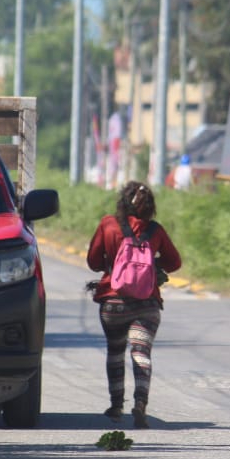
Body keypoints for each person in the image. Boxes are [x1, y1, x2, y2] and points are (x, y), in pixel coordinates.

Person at [86, 181, 182, 429]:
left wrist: (111, 264)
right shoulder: (156, 231)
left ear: (123, 201)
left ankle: (116, 404)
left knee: (115, 352)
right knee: (141, 352)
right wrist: (152, 262)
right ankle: (141, 402)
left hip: (113, 301)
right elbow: (175, 263)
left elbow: (93, 261)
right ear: (150, 206)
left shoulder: (108, 225)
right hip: (146, 303)